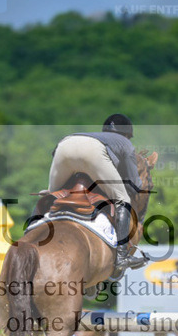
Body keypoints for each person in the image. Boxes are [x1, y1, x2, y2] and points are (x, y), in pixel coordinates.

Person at [48, 113, 143, 271]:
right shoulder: (125, 143)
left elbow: (55, 154)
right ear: (127, 134)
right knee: (122, 199)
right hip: (92, 152)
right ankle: (121, 256)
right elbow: (134, 183)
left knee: (51, 194)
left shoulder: (96, 136)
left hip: (64, 145)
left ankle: (30, 231)